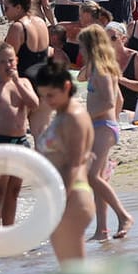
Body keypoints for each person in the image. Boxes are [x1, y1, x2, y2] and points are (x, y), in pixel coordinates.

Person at [30, 60, 96, 263]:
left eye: (51, 95)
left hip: (72, 196)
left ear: (66, 86)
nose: (47, 101)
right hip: (63, 196)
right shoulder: (61, 115)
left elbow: (74, 164)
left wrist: (59, 202)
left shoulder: (74, 117)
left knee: (75, 272)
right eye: (43, 96)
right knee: (69, 270)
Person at [76, 25, 132, 239]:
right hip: (100, 126)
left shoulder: (103, 69)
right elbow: (119, 99)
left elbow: (109, 100)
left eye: (82, 46)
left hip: (104, 127)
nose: (80, 50)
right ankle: (102, 229)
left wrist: (87, 115)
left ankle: (124, 216)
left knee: (92, 176)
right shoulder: (97, 67)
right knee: (99, 178)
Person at [0, 44, 38, 227]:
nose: (7, 65)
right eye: (2, 61)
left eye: (11, 60)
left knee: (13, 191)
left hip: (20, 142)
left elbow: (34, 104)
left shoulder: (23, 83)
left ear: (16, 61)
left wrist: (17, 82)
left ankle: (9, 230)